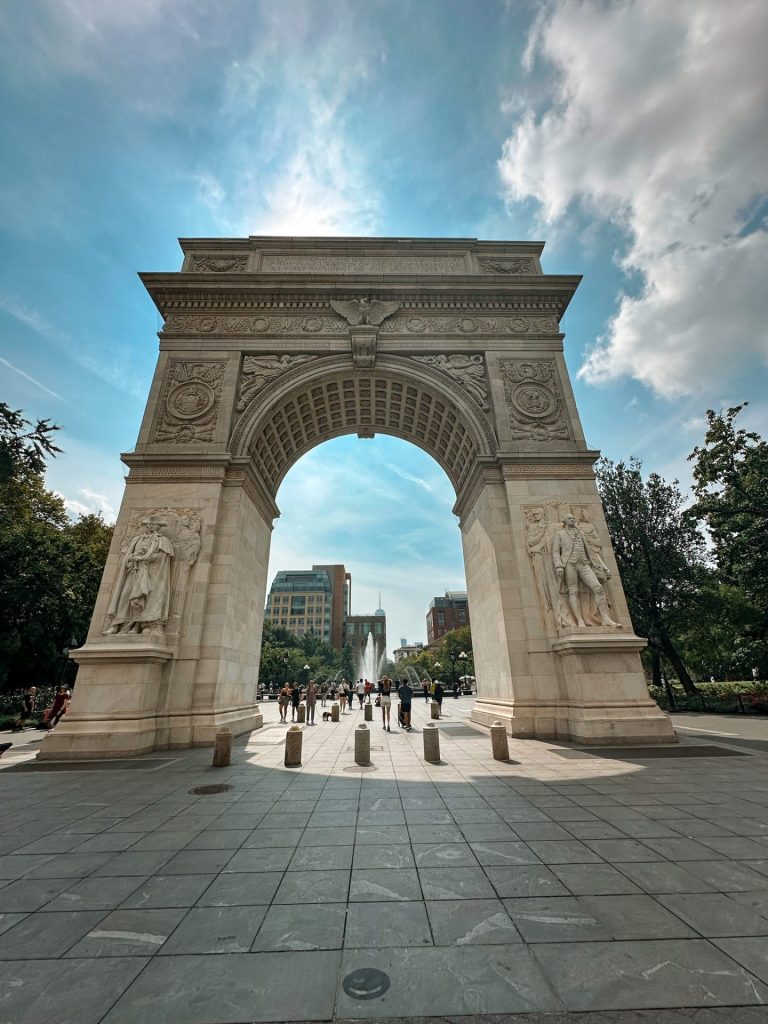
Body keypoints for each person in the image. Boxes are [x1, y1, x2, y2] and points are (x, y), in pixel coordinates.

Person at [105, 518, 174, 635]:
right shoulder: (136, 540)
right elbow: (126, 557)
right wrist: (131, 559)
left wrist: (144, 558)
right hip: (133, 572)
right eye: (148, 524)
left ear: (158, 527)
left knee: (144, 597)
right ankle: (120, 625)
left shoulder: (162, 540)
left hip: (150, 574)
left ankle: (140, 625)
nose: (150, 526)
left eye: (153, 524)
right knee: (125, 596)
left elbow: (162, 558)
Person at [552, 513, 620, 628]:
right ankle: (580, 621)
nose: (572, 519)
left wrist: (604, 567)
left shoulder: (581, 533)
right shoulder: (560, 534)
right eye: (569, 518)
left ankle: (605, 619)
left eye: (573, 518)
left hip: (584, 564)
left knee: (598, 588)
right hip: (569, 564)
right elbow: (555, 551)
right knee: (573, 591)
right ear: (564, 520)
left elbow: (592, 552)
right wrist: (558, 565)